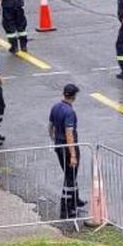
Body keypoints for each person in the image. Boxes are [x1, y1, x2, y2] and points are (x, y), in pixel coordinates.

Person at [49, 84, 82, 219]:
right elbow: (69, 134)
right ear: (74, 96)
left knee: (70, 175)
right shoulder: (69, 112)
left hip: (59, 145)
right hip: (68, 148)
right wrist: (73, 154)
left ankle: (75, 199)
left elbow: (50, 126)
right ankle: (66, 208)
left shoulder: (55, 107)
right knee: (70, 177)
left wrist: (54, 139)